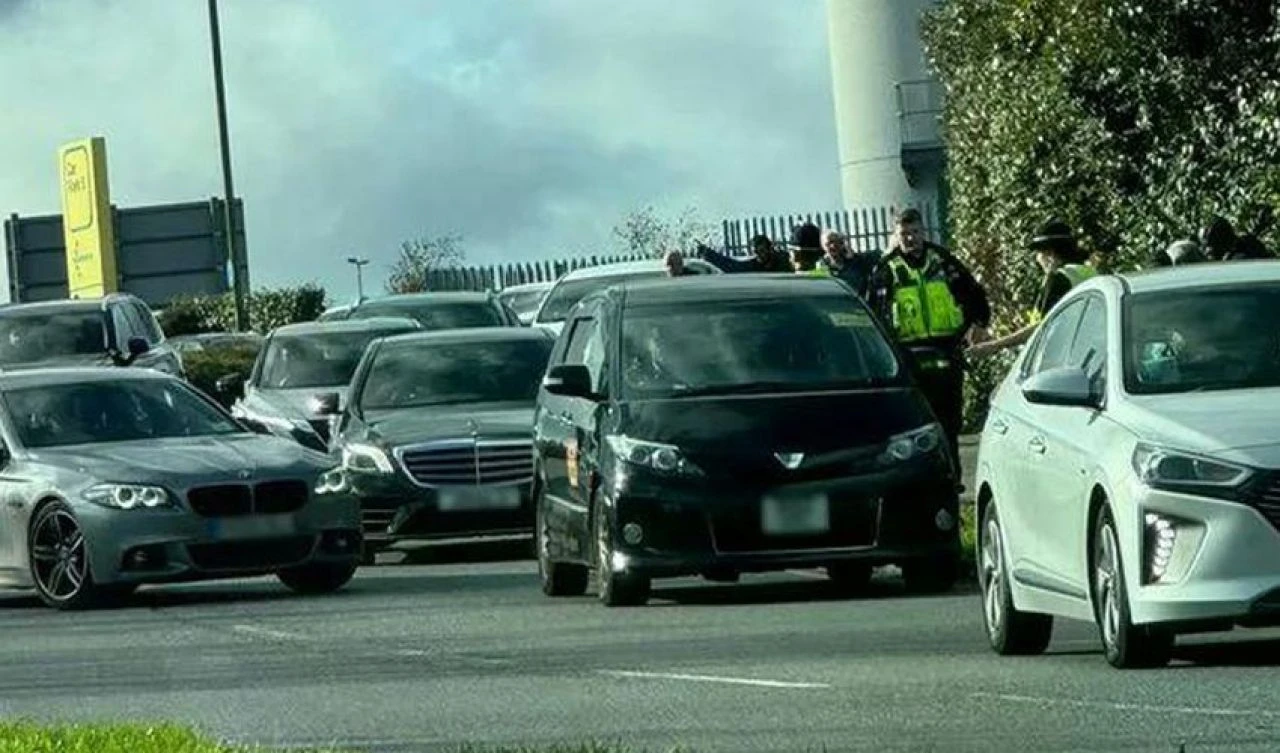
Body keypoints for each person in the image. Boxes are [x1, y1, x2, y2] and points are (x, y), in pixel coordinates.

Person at [866, 208, 990, 473]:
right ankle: (920, 475)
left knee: (950, 420)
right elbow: (873, 314)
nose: (910, 238)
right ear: (895, 235)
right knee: (915, 422)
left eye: (915, 232)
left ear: (923, 231)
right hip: (907, 355)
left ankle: (952, 475)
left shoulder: (942, 261)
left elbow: (973, 293)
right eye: (904, 234)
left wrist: (979, 323)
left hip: (947, 349)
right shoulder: (886, 269)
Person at [967, 220, 1095, 360]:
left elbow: (1042, 327)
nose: (1038, 259)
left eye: (1038, 253)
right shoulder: (1089, 273)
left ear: (1049, 253)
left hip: (1064, 358)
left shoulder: (1058, 279)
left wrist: (995, 345)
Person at [818, 229, 880, 298]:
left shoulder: (857, 262)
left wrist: (852, 257)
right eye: (829, 243)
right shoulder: (821, 267)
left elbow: (877, 256)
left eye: (836, 242)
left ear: (841, 243)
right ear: (823, 246)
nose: (833, 246)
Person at [698, 235, 792, 273]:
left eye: (762, 251)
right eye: (756, 252)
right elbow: (732, 266)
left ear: (769, 249)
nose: (759, 255)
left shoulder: (784, 262)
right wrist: (708, 254)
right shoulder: (754, 266)